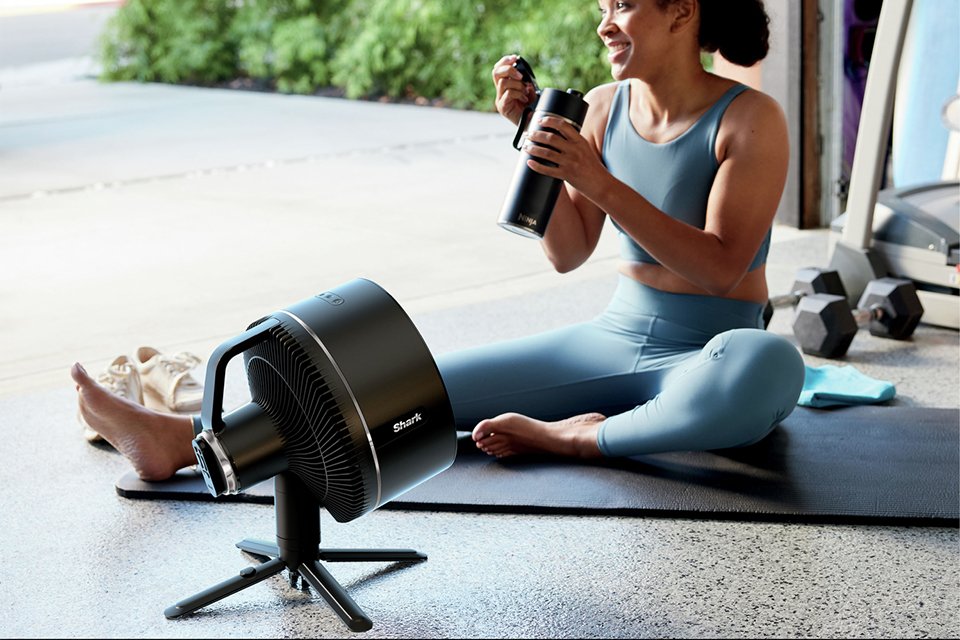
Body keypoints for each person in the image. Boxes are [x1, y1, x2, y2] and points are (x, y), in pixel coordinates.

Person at [72, 0, 805, 481]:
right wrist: (533, 145)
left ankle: (576, 436)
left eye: (623, 5)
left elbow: (721, 266)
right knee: (409, 392)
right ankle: (188, 442)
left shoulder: (750, 120)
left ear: (683, 10)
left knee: (766, 366)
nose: (604, 24)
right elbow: (567, 253)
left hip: (713, 345)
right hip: (612, 335)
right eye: (604, 7)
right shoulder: (605, 110)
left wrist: (600, 179)